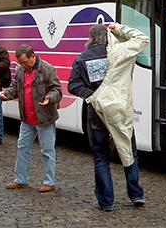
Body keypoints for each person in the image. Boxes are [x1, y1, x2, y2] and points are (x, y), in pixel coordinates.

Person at [68, 23, 148, 211]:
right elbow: (142, 38)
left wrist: (93, 97)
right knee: (129, 152)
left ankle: (105, 201)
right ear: (107, 36)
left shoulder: (82, 58)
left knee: (101, 157)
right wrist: (119, 28)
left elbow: (73, 85)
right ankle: (136, 194)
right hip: (121, 110)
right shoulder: (121, 51)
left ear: (90, 38)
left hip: (97, 113)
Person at [0, 44, 62, 193]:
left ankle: (49, 181)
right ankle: (21, 180)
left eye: (24, 62)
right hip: (27, 119)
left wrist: (49, 97)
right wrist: (6, 94)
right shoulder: (20, 70)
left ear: (33, 56)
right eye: (20, 62)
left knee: (47, 150)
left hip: (44, 118)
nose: (22, 65)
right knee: (22, 148)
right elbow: (16, 88)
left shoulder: (47, 69)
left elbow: (57, 90)